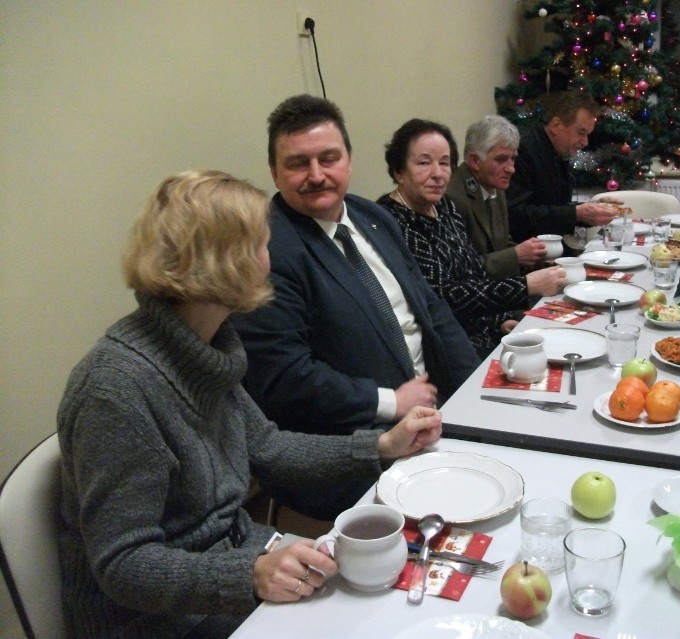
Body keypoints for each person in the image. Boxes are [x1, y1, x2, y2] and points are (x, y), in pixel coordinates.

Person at [57, 170, 443, 639]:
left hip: (231, 561)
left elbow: (268, 447)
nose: (272, 258)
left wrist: (381, 445)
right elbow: (122, 564)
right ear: (227, 263)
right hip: (160, 620)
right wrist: (250, 574)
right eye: (264, 245)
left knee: (397, 597)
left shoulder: (204, 345)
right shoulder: (116, 389)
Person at [231, 96, 479, 520]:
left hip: (431, 412)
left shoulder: (369, 215)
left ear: (348, 159)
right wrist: (389, 402)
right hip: (349, 444)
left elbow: (430, 308)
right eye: (297, 164)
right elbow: (285, 377)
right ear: (274, 171)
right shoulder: (266, 250)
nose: (316, 175)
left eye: (329, 158)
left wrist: (476, 391)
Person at [377, 119, 566, 358]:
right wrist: (526, 286)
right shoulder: (391, 220)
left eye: (444, 163)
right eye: (424, 163)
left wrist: (499, 320)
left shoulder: (444, 207)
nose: (438, 174)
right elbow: (444, 297)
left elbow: (473, 271)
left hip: (478, 328)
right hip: (440, 347)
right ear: (398, 171)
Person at [505, 90, 623, 249]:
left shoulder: (557, 150)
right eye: (581, 133)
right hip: (530, 254)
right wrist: (576, 213)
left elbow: (554, 206)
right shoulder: (522, 151)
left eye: (587, 134)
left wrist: (591, 209)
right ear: (556, 125)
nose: (585, 142)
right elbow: (517, 215)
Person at [445, 114, 548, 277]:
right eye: (501, 159)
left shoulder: (495, 186)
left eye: (513, 159)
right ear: (474, 161)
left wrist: (532, 256)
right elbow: (462, 269)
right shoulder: (452, 197)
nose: (511, 169)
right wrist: (516, 255)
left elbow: (501, 244)